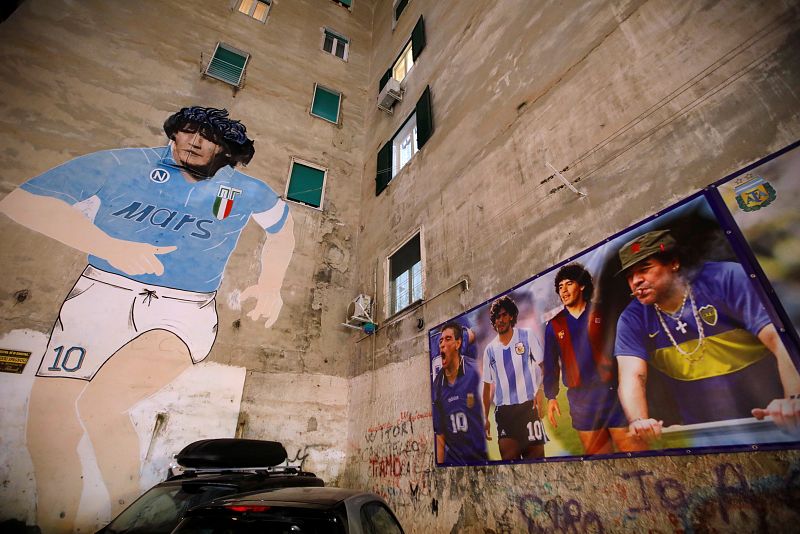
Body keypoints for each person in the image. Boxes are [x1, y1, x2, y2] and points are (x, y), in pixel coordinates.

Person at [0, 106, 295, 532]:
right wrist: (106, 244)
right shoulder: (123, 163)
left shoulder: (247, 190)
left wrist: (270, 285)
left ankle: (131, 515)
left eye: (206, 136)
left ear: (225, 149)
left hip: (182, 308)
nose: (193, 141)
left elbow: (282, 229)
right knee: (48, 421)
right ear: (173, 135)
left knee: (101, 405)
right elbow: (22, 200)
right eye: (186, 131)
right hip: (100, 293)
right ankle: (58, 524)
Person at [613, 229, 800, 442]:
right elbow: (632, 375)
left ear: (674, 263)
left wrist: (794, 399)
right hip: (706, 434)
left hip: (773, 419)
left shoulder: (726, 278)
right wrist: (639, 420)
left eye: (644, 269)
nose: (635, 281)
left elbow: (779, 339)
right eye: (630, 276)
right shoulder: (632, 318)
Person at [543, 264, 646, 454]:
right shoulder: (554, 325)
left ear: (582, 286)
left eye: (569, 284)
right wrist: (551, 396)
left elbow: (624, 349)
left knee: (634, 453)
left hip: (612, 393)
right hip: (581, 400)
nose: (563, 290)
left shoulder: (602, 313)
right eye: (560, 287)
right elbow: (550, 365)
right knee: (600, 459)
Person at [482, 296, 548, 460]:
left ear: (511, 316)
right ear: (494, 321)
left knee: (536, 463)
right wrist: (485, 418)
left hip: (528, 409)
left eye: (504, 315)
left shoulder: (527, 336)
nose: (501, 320)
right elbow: (487, 387)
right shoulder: (490, 350)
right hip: (505, 413)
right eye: (497, 317)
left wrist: (541, 390)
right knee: (509, 463)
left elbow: (544, 367)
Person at [432, 322, 488, 464]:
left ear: (458, 344)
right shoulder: (437, 385)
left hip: (480, 459)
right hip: (455, 462)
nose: (442, 344)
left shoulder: (475, 371)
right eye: (440, 341)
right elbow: (440, 436)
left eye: (448, 339)